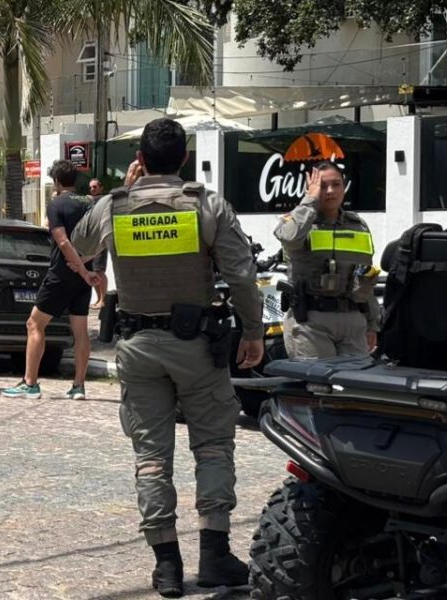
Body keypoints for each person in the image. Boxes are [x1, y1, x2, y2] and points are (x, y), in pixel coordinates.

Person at [67, 118, 264, 597]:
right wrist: (254, 331)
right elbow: (240, 275)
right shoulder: (206, 204)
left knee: (152, 458)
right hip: (197, 344)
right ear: (183, 158)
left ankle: (167, 565)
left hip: (137, 346)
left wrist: (123, 190)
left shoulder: (114, 206)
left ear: (141, 158)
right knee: (213, 447)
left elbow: (80, 245)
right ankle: (215, 555)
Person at [2, 160, 97, 401]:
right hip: (85, 274)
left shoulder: (56, 204)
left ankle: (30, 383)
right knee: (80, 331)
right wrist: (85, 265)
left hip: (62, 274)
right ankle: (79, 385)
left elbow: (62, 242)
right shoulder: (90, 203)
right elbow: (103, 239)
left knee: (34, 324)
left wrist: (77, 267)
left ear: (56, 182)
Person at [274, 162, 379, 359]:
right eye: (322, 186)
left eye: (336, 184)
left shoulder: (357, 225)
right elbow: (288, 237)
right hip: (311, 322)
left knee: (353, 387)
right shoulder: (297, 221)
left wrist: (372, 323)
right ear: (310, 188)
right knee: (317, 387)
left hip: (353, 322)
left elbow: (365, 276)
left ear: (344, 187)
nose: (330, 191)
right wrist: (309, 201)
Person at [87, 178, 109, 309]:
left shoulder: (104, 200)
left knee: (99, 270)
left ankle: (103, 299)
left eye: (95, 187)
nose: (92, 189)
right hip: (90, 240)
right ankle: (98, 299)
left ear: (101, 187)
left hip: (100, 240)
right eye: (90, 187)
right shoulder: (89, 200)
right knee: (93, 270)